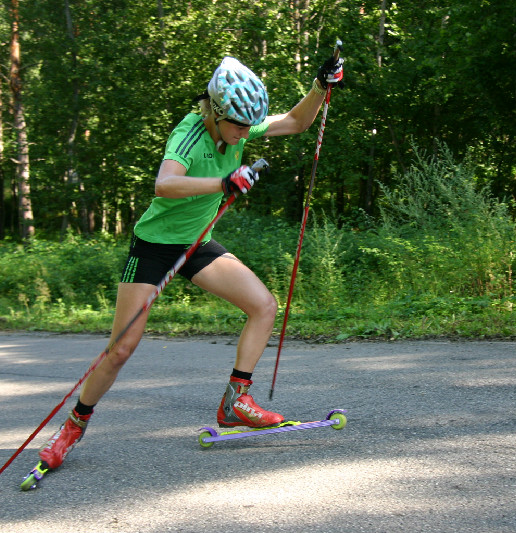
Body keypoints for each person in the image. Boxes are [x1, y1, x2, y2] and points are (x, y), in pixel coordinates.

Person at [37, 53, 344, 471]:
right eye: (237, 125)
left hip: (197, 244)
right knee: (122, 347)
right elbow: (165, 184)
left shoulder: (237, 123)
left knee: (263, 306)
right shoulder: (189, 133)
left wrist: (319, 87)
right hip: (156, 248)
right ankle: (73, 426)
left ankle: (236, 402)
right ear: (215, 113)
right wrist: (223, 182)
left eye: (246, 126)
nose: (243, 133)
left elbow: (296, 122)